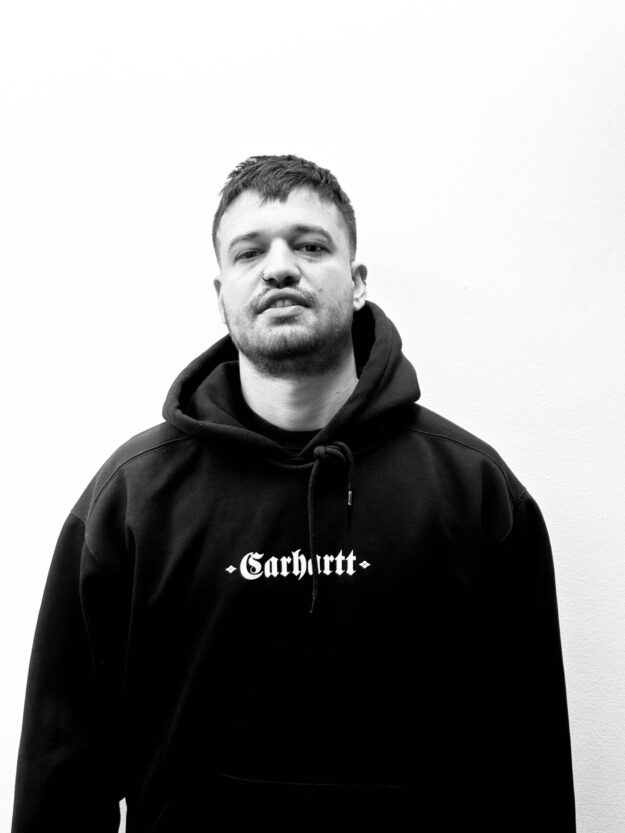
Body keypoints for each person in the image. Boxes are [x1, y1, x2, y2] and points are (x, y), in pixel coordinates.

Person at [12, 154, 576, 831]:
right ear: (221, 293)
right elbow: (63, 772)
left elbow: (530, 768)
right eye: (249, 252)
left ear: (357, 282)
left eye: (310, 245)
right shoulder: (131, 498)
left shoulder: (474, 490)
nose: (279, 267)